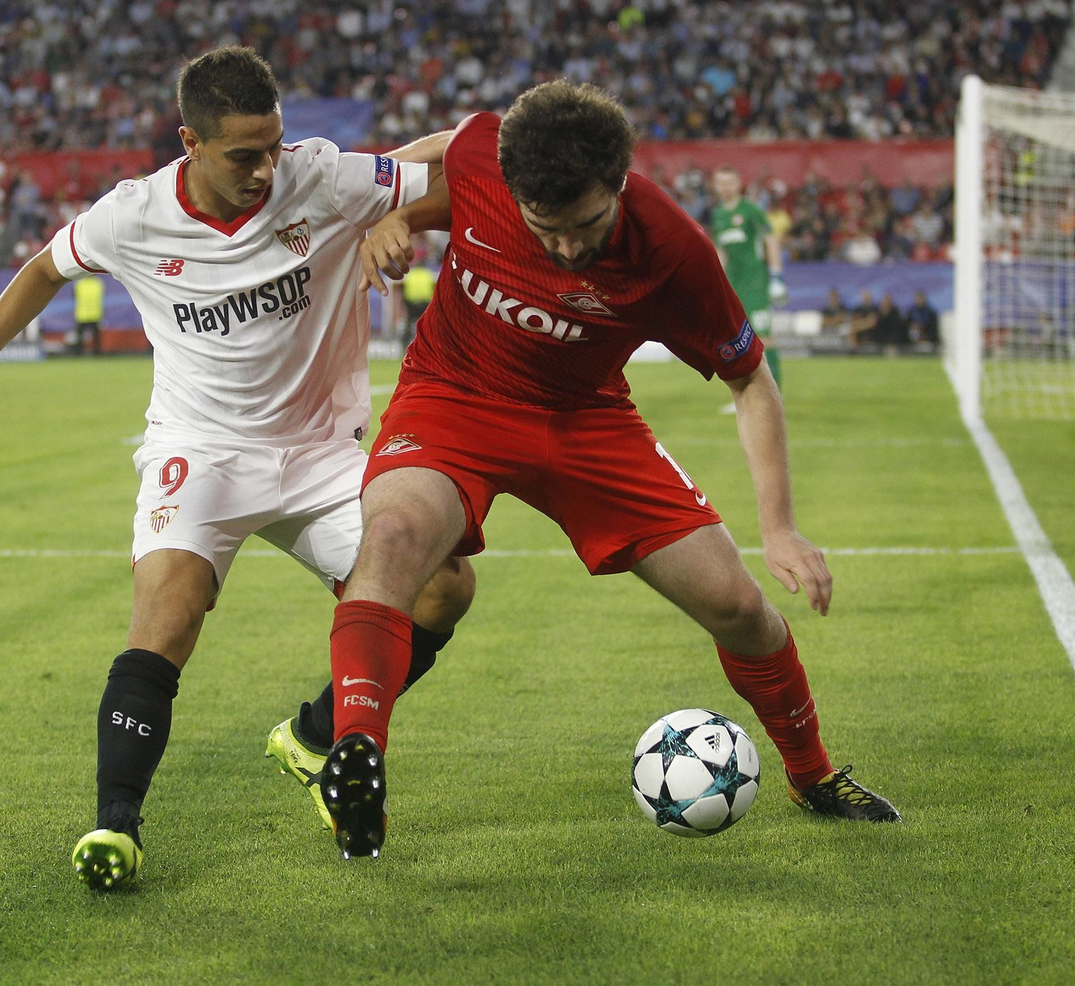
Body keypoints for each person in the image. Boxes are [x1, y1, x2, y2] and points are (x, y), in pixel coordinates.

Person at [0, 47, 475, 891]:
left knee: (443, 586)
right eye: (244, 155)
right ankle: (116, 824)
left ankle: (316, 736)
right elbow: (44, 268)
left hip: (320, 453)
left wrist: (401, 216)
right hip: (200, 451)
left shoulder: (321, 176)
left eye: (273, 147)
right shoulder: (131, 215)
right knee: (167, 615)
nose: (265, 170)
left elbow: (462, 163)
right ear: (191, 143)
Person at [314, 82, 898, 862]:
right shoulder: (484, 153)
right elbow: (423, 156)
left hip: (586, 420)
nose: (566, 248)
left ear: (620, 182)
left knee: (737, 605)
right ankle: (356, 757)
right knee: (391, 535)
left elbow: (751, 381)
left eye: (586, 225)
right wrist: (381, 213)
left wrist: (780, 527)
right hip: (453, 397)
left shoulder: (673, 251)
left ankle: (813, 773)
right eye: (545, 228)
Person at [709, 166, 784, 398]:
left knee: (764, 337)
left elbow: (771, 240)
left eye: (729, 182)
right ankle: (747, 396)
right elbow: (721, 251)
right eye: (721, 183)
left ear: (738, 183)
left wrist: (776, 276)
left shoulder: (751, 210)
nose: (725, 188)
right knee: (738, 342)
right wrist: (717, 281)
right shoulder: (718, 215)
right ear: (715, 186)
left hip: (755, 284)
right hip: (733, 286)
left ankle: (775, 395)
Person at [400, 256, 436, 343]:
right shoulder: (428, 274)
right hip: (425, 305)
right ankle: (431, 340)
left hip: (411, 305)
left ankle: (404, 342)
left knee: (409, 322)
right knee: (429, 323)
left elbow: (405, 291)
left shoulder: (410, 274)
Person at [73, 273, 104, 355]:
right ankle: (95, 354)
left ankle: (80, 353)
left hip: (85, 314)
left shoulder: (79, 283)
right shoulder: (98, 283)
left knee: (84, 337)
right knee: (95, 337)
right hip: (93, 314)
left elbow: (74, 296)